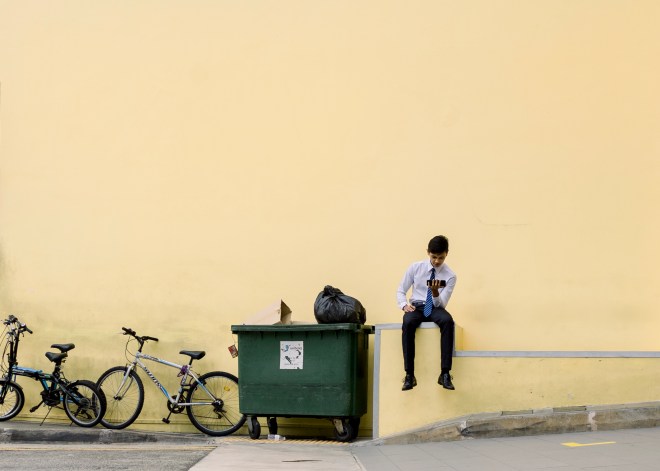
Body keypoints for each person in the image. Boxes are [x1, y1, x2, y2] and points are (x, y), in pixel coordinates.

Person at [396, 235, 457, 391]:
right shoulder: (415, 268)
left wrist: (435, 293)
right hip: (417, 307)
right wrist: (404, 305)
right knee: (408, 322)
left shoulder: (450, 275)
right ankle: (409, 375)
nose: (437, 261)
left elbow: (442, 303)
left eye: (441, 257)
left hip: (435, 308)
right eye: (434, 256)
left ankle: (445, 373)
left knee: (448, 321)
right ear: (428, 252)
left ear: (447, 254)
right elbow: (401, 290)